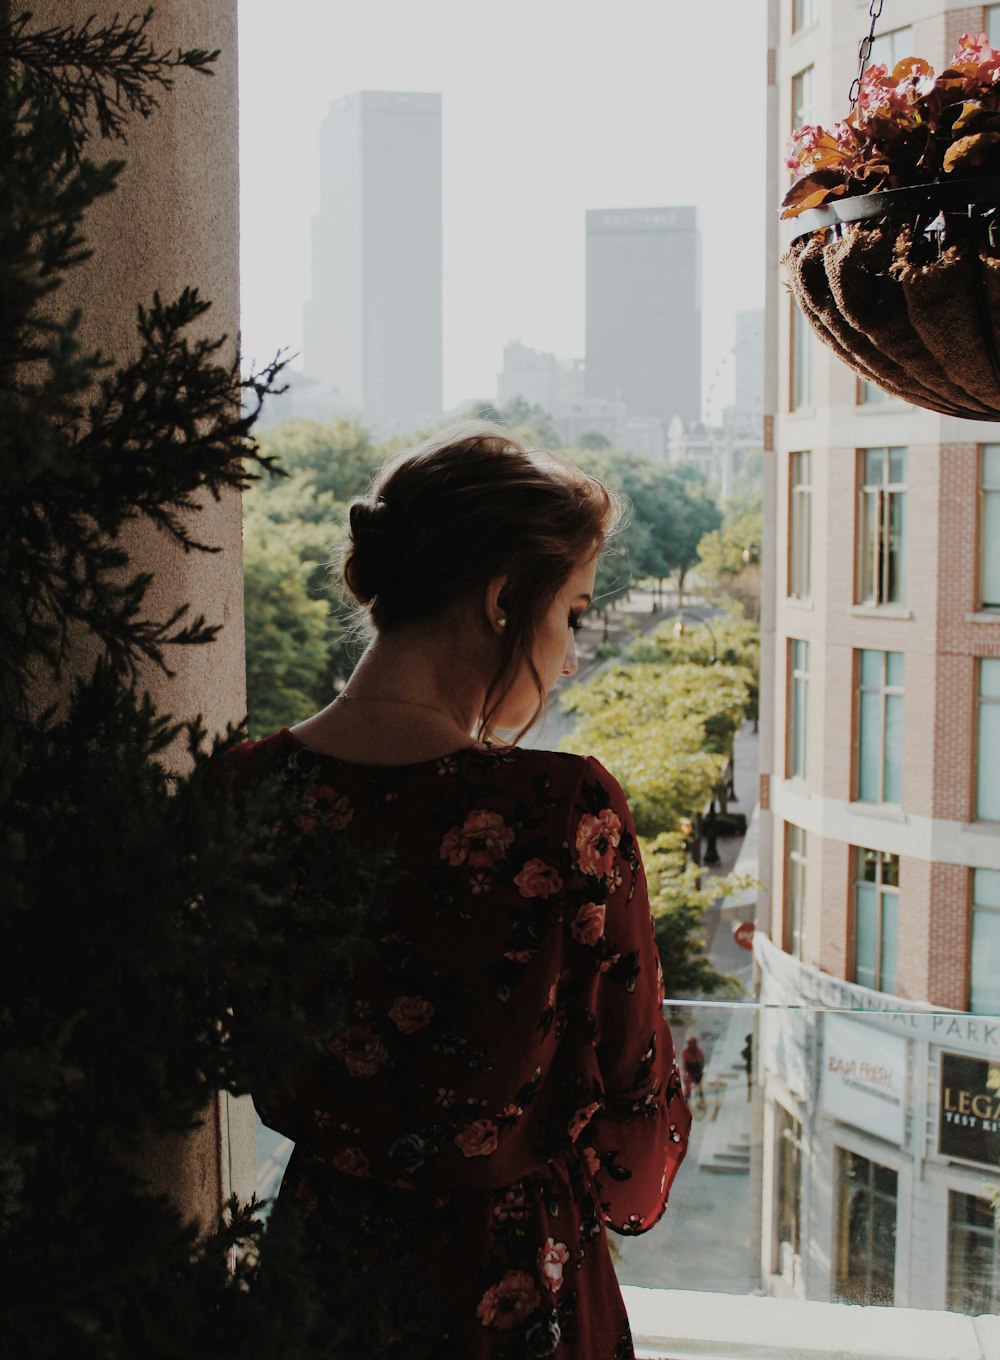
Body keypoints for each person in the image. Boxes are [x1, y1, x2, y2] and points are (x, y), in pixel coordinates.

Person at [227, 423, 691, 1359]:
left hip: (318, 1268)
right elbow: (634, 1138)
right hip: (510, 1284)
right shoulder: (562, 810)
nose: (567, 658)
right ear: (502, 598)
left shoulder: (243, 791)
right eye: (571, 613)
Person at [681, 1035, 706, 1108]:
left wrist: (700, 1070)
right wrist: (685, 1073)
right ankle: (687, 1099)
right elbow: (684, 1063)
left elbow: (702, 1060)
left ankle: (701, 1097)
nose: (692, 1046)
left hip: (696, 1069)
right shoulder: (685, 1052)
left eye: (693, 1044)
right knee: (688, 1086)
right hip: (689, 1070)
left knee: (698, 1084)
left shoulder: (698, 1051)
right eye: (691, 1044)